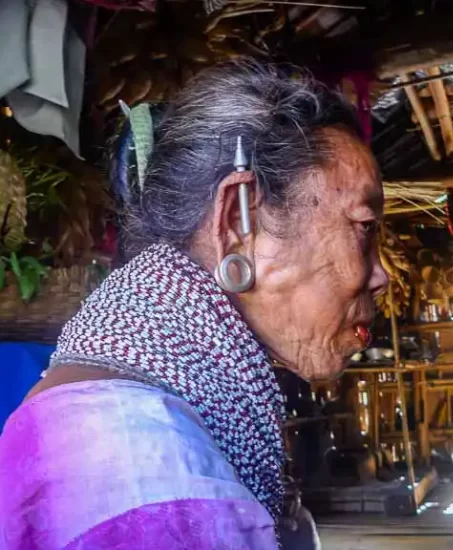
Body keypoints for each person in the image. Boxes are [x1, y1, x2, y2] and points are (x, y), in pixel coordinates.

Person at [0, 59, 387, 549]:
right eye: (364, 228)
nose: (382, 275)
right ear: (237, 221)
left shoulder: (110, 412)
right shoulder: (151, 476)